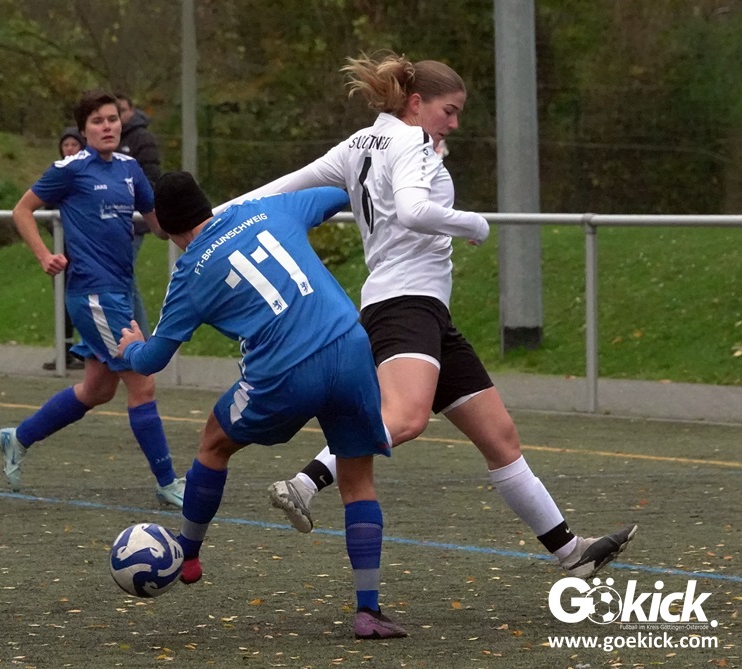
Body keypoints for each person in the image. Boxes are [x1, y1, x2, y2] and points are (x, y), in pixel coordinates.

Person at [225, 52, 637, 579]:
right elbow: (415, 211)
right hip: (405, 305)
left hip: (422, 311)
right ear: (417, 103)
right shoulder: (411, 144)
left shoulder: (360, 142)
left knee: (500, 437)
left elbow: (279, 188)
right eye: (450, 110)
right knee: (406, 419)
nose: (455, 123)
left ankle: (570, 552)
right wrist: (473, 224)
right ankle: (305, 483)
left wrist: (207, 220)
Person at [118, 171, 407, 640]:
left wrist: (130, 348)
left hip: (286, 372)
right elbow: (337, 195)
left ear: (165, 229)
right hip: (351, 347)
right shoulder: (265, 208)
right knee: (357, 479)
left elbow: (152, 360)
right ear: (205, 202)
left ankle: (188, 554)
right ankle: (368, 611)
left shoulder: (189, 274)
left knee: (214, 441)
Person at [0, 90, 185, 508]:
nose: (107, 126)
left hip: (120, 292)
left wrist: (195, 219)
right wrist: (44, 255)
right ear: (83, 130)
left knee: (97, 390)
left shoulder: (131, 169)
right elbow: (22, 211)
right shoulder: (70, 169)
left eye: (113, 119)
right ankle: (168, 482)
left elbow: (159, 227)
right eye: (98, 121)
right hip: (93, 293)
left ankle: (18, 437)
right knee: (143, 382)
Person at [115, 93, 160, 336]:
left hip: (134, 222)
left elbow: (150, 182)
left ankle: (139, 339)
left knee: (124, 280)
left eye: (121, 111)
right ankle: (133, 338)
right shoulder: (108, 139)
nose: (116, 118)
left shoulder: (142, 139)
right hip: (110, 222)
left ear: (131, 111)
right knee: (122, 281)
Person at [43, 126, 87, 372]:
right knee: (62, 298)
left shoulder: (88, 174)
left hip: (85, 247)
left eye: (74, 145)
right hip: (63, 246)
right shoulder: (56, 173)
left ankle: (89, 350)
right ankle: (65, 352)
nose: (69, 149)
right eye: (66, 145)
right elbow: (44, 205)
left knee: (84, 299)